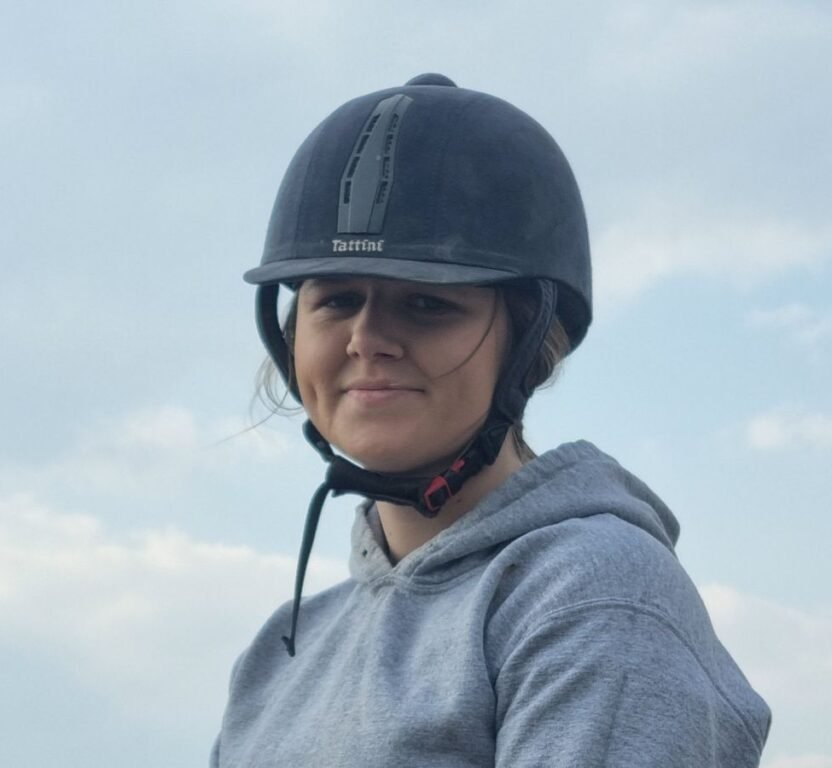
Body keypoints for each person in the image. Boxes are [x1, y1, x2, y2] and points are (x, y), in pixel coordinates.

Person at [212, 74, 771, 767]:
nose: (366, 339)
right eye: (337, 300)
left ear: (529, 343)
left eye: (427, 303)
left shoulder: (594, 595)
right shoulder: (280, 655)